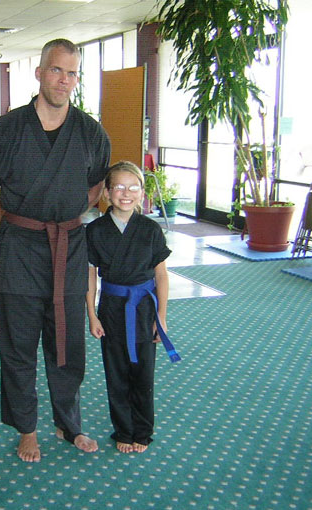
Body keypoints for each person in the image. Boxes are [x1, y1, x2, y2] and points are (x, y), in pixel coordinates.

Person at [0, 39, 111, 463]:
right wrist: (12, 223)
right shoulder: (8, 129)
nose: (64, 80)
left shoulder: (91, 132)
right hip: (20, 251)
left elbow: (96, 187)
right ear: (39, 72)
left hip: (69, 246)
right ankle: (26, 429)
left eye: (72, 73)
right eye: (56, 70)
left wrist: (66, 214)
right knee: (18, 344)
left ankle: (68, 424)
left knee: (68, 343)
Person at [85, 161, 179, 454]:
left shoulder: (151, 229)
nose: (126, 194)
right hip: (112, 308)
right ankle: (123, 430)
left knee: (143, 374)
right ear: (107, 192)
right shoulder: (95, 230)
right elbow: (89, 275)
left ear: (142, 193)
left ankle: (143, 430)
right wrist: (92, 315)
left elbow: (161, 276)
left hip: (144, 309)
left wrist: (161, 317)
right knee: (116, 372)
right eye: (119, 187)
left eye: (133, 187)